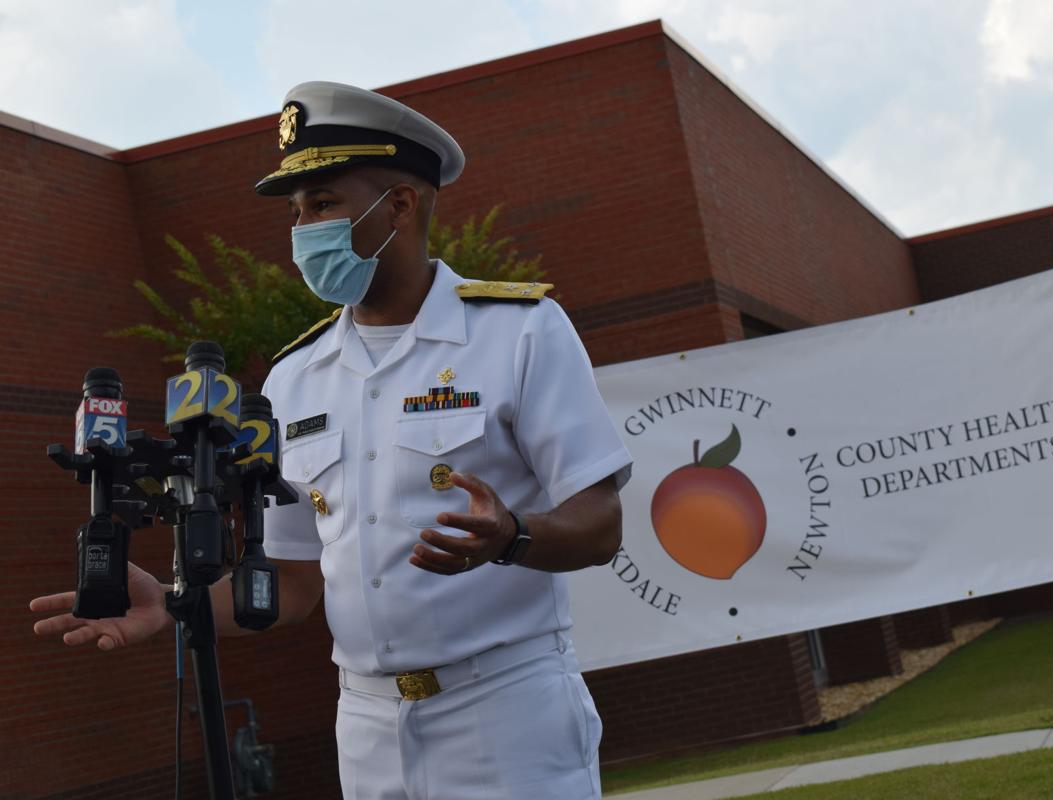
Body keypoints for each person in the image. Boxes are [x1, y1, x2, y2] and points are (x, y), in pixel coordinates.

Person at [31, 81, 632, 800]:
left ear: (400, 206)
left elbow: (600, 525)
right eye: (295, 212)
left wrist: (509, 535)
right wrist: (172, 601)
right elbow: (292, 581)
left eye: (322, 205)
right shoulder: (294, 378)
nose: (301, 230)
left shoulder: (521, 332)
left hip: (505, 708)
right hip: (368, 722)